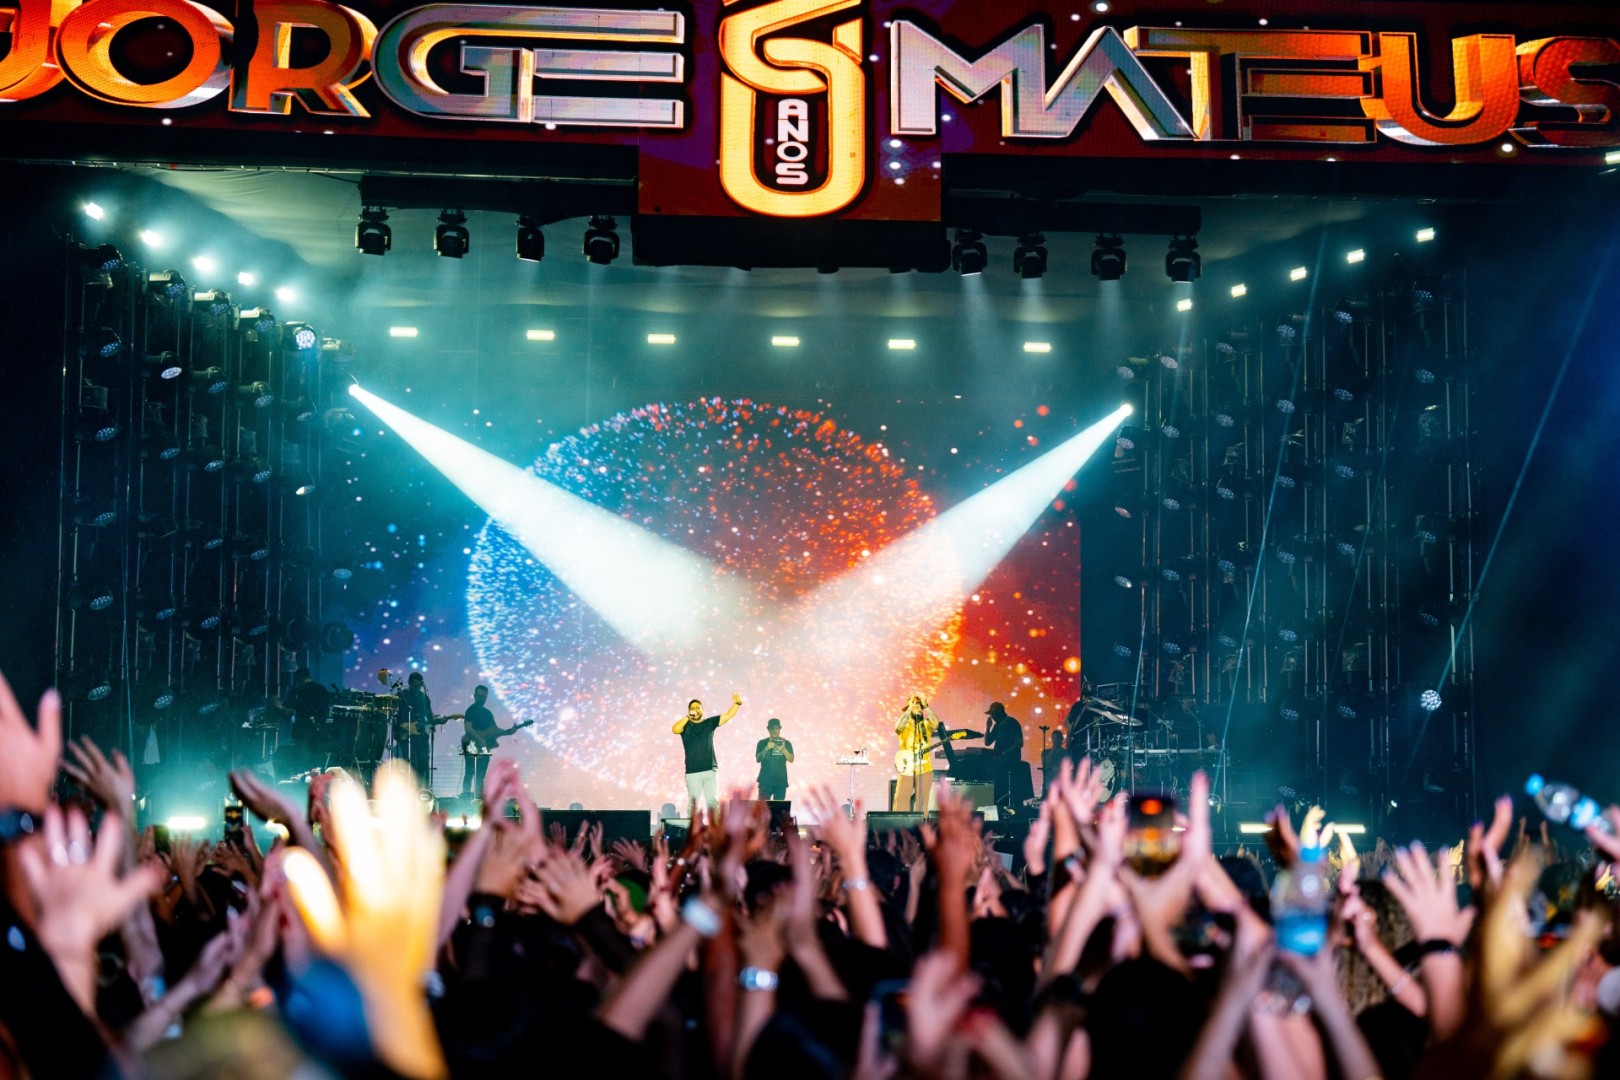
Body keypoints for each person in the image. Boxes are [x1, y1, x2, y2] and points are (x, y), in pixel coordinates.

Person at [671, 692, 741, 817]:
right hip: (692, 771)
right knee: (693, 804)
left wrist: (737, 703)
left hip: (710, 770)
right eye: (692, 708)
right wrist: (687, 717)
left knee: (712, 801)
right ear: (689, 711)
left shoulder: (709, 723)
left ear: (702, 710)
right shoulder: (685, 726)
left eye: (698, 707)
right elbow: (675, 729)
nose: (695, 710)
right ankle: (693, 827)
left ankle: (715, 828)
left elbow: (728, 715)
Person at [458, 685, 518, 799]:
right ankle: (465, 797)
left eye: (484, 697)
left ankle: (478, 798)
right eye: (479, 696)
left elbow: (495, 730)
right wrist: (479, 739)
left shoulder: (488, 713)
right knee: (470, 771)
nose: (482, 699)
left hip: (485, 748)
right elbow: (468, 728)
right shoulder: (471, 711)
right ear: (475, 696)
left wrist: (509, 732)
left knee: (481, 774)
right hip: (470, 745)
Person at [279, 667, 332, 774]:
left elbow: (287, 712)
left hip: (301, 730)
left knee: (303, 760)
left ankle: (303, 780)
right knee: (316, 760)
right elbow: (327, 709)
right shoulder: (321, 688)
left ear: (299, 676)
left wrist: (277, 706)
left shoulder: (296, 690)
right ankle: (317, 780)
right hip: (318, 731)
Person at [892, 692, 939, 812]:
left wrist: (926, 705)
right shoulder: (904, 724)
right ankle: (900, 823)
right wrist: (909, 707)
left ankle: (921, 823)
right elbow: (897, 728)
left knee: (922, 802)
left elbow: (935, 723)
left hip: (924, 768)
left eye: (919, 706)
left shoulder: (926, 724)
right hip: (907, 768)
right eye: (915, 705)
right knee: (900, 800)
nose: (918, 708)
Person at [394, 672, 438, 784]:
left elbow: (429, 717)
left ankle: (424, 789)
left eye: (418, 685)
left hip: (421, 735)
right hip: (405, 734)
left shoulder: (424, 698)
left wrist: (436, 721)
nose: (416, 688)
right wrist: (401, 728)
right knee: (408, 763)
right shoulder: (401, 696)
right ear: (409, 683)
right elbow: (394, 716)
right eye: (414, 685)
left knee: (423, 763)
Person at [984, 701, 1028, 809]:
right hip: (999, 760)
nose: (992, 717)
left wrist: (1005, 753)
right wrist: (988, 727)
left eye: (993, 714)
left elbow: (1019, 743)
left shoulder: (1012, 723)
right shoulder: (997, 725)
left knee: (1006, 785)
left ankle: (1009, 806)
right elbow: (987, 742)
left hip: (1010, 761)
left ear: (999, 713)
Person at [754, 718, 794, 800]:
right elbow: (758, 759)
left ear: (780, 729)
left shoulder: (786, 743)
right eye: (772, 728)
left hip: (780, 781)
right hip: (765, 781)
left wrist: (783, 749)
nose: (774, 731)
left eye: (776, 728)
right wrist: (767, 748)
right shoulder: (762, 743)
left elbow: (791, 759)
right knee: (763, 807)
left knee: (778, 807)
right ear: (768, 729)